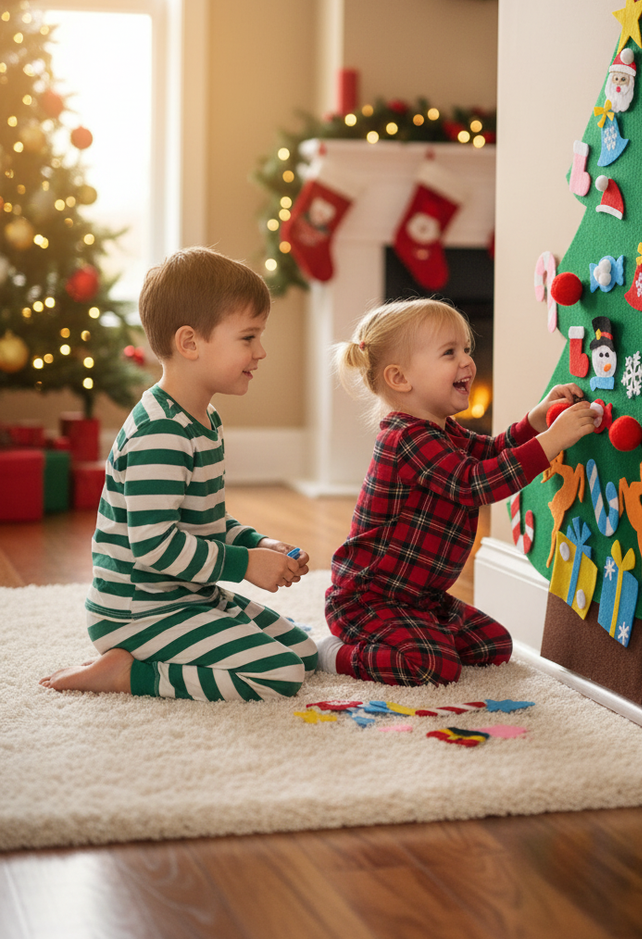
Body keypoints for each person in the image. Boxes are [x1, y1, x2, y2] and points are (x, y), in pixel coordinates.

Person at [40, 247, 317, 701]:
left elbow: (201, 520)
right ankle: (127, 674)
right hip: (139, 612)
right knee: (280, 674)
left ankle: (170, 650)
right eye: (248, 337)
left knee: (304, 652)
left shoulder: (204, 419)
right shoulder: (161, 433)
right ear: (189, 343)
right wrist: (245, 565)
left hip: (188, 595)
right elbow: (153, 545)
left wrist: (256, 543)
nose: (261, 351)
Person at [317, 298, 596, 685]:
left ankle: (418, 633)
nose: (467, 361)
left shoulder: (442, 431)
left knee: (495, 645)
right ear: (400, 378)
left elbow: (492, 452)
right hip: (368, 598)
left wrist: (535, 421)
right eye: (450, 352)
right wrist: (552, 441)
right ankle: (337, 655)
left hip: (420, 597)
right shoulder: (405, 439)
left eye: (466, 349)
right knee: (434, 666)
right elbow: (475, 483)